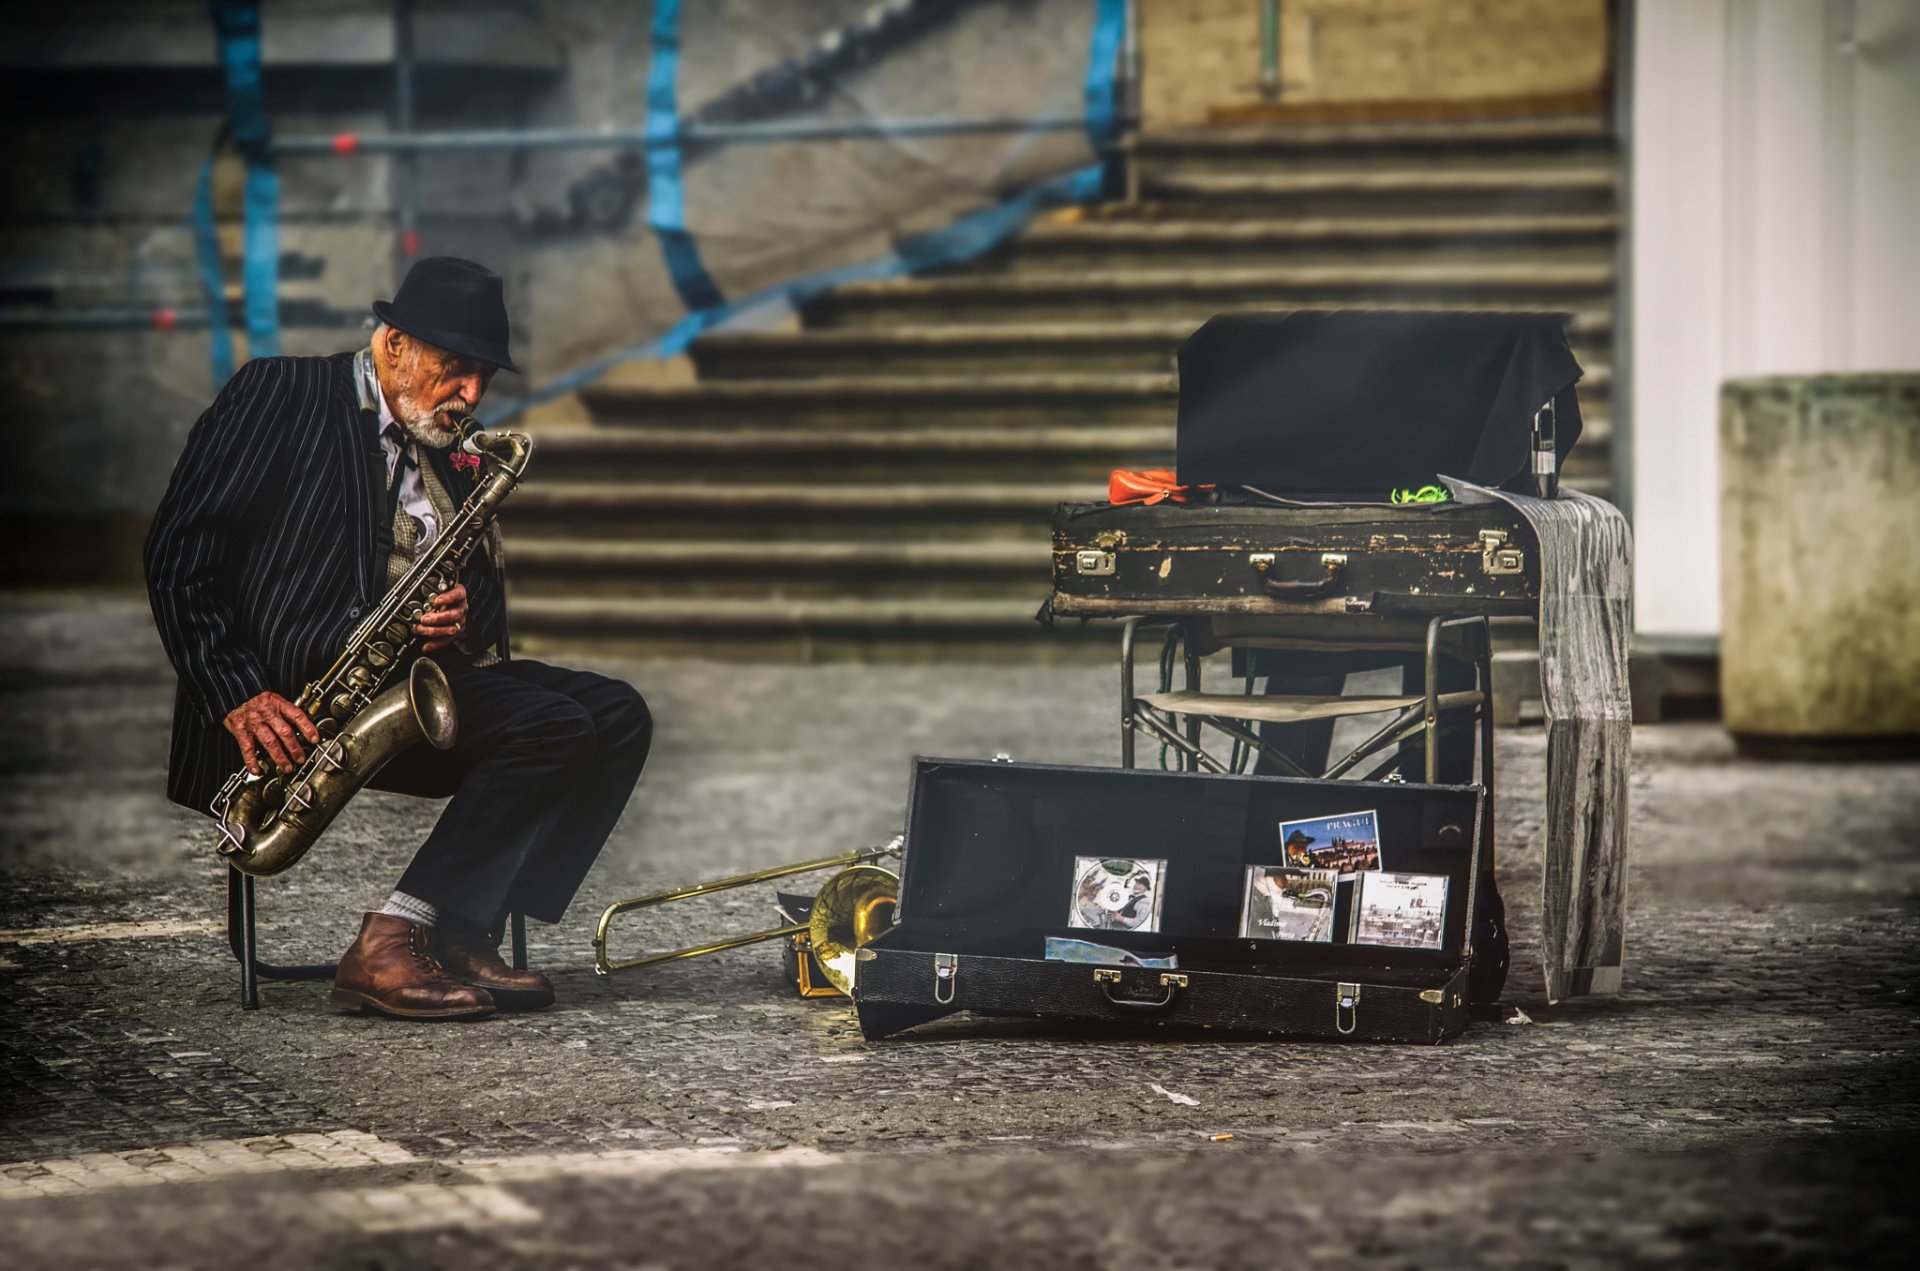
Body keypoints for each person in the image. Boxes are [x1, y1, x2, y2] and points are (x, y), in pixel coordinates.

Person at [145, 257, 652, 1021]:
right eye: (457, 369)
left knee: (618, 715)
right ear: (395, 345)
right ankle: (394, 935)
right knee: (554, 724)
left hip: (403, 688)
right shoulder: (281, 393)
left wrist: (459, 614)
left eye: (484, 375)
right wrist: (239, 694)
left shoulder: (451, 446)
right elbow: (179, 554)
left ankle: (459, 924)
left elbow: (478, 605)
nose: (473, 394)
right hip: (294, 696)